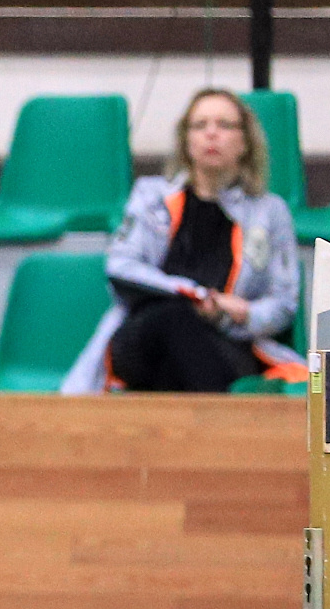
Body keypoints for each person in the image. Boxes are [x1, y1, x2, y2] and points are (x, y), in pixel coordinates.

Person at [70, 88, 301, 393]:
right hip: (144, 336)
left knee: (176, 362)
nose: (211, 134)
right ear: (186, 140)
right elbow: (120, 266)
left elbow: (283, 303)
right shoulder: (150, 196)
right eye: (200, 125)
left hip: (225, 341)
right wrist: (197, 296)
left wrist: (240, 313)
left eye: (224, 125)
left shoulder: (270, 211)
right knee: (173, 317)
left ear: (244, 142)